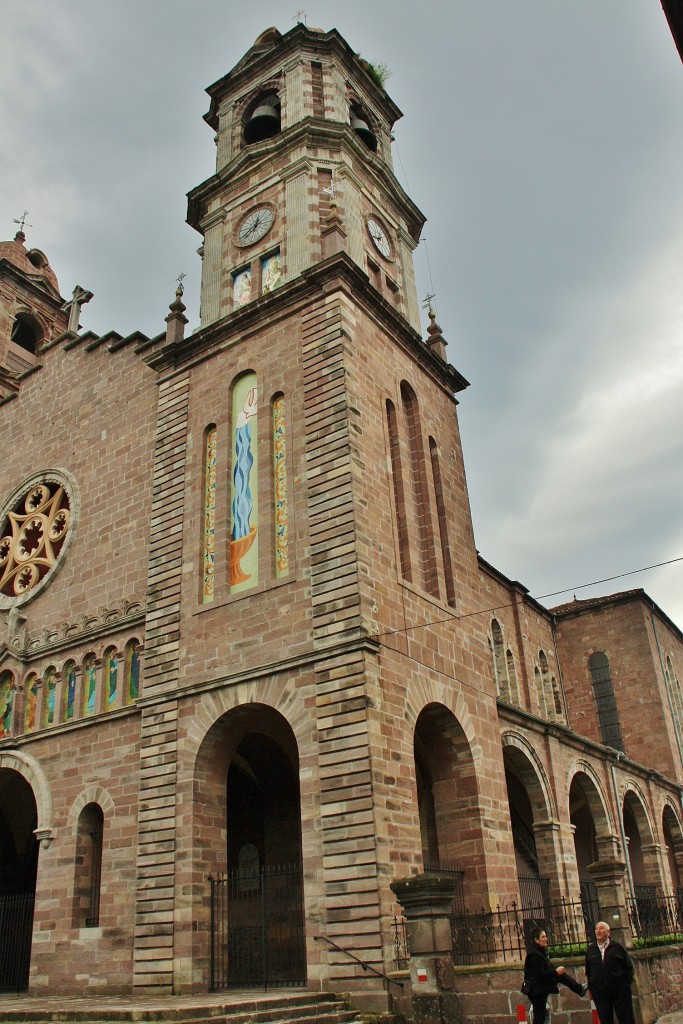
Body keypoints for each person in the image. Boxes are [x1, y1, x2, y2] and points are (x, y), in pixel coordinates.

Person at [524, 927, 588, 1024]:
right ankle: (579, 989)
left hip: (540, 987)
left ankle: (579, 989)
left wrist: (556, 973)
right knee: (539, 1016)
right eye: (543, 937)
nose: (546, 939)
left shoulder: (540, 951)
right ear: (536, 940)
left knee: (540, 1015)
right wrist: (555, 972)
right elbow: (540, 975)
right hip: (536, 990)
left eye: (546, 936)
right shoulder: (534, 955)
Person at [585, 921, 635, 1024]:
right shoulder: (591, 950)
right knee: (605, 1019)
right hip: (600, 992)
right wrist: (593, 987)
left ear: (608, 932)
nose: (598, 931)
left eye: (601, 928)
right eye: (596, 929)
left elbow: (628, 967)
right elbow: (588, 970)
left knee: (625, 1018)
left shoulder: (617, 948)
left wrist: (624, 985)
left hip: (619, 991)